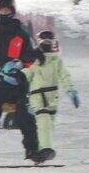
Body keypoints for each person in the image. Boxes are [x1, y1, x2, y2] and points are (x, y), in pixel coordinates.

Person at [0, 0, 41, 166]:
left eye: (7, 9)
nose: (4, 12)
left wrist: (20, 63)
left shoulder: (21, 34)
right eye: (1, 10)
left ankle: (33, 151)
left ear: (12, 10)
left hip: (17, 84)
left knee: (26, 117)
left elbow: (30, 56)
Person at [22, 31, 79, 162]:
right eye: (44, 42)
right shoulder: (35, 60)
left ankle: (41, 151)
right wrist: (16, 76)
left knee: (49, 124)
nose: (47, 45)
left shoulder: (56, 60)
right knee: (44, 120)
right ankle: (46, 149)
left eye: (49, 42)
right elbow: (27, 73)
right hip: (38, 95)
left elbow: (64, 76)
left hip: (53, 97)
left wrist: (71, 90)